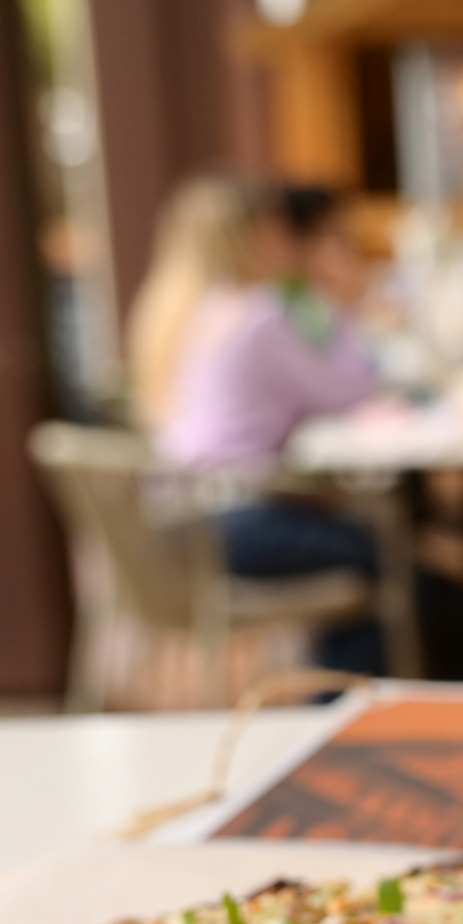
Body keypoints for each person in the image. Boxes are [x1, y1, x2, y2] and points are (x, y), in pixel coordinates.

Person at [158, 184, 386, 675]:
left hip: (187, 515)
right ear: (250, 240)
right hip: (234, 520)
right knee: (384, 553)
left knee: (364, 540)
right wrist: (345, 302)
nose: (290, 242)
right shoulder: (261, 314)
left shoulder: (213, 306)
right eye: (277, 231)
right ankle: (342, 710)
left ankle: (342, 701)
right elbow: (345, 391)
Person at [124, 176, 255, 430]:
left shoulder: (163, 302)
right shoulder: (231, 310)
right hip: (222, 464)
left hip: (173, 456)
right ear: (244, 239)